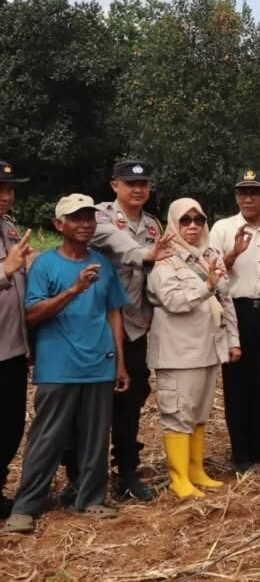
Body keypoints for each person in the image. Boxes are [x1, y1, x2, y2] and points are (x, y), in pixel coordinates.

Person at [3, 195, 129, 534]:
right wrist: (73, 290)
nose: (85, 223)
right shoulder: (44, 265)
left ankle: (89, 499)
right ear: (60, 225)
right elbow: (32, 314)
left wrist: (120, 362)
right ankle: (26, 506)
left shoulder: (103, 264)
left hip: (99, 363)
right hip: (58, 365)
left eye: (90, 217)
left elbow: (114, 312)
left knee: (95, 438)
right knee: (46, 437)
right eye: (77, 218)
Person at [89, 160, 172, 501]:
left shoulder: (153, 224)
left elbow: (157, 274)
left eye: (143, 184)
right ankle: (82, 476)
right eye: (129, 184)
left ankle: (126, 472)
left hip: (135, 326)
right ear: (114, 186)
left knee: (131, 400)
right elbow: (120, 245)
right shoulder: (99, 216)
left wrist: (154, 311)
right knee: (92, 401)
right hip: (96, 324)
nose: (137, 190)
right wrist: (147, 254)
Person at [147, 199, 238, 498]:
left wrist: (233, 341)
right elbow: (173, 300)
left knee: (199, 413)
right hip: (178, 351)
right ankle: (179, 478)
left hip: (209, 346)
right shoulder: (165, 259)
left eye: (198, 220)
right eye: (185, 220)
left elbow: (226, 300)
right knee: (178, 414)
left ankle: (196, 470)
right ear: (174, 222)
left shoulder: (211, 254)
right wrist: (206, 286)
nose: (192, 226)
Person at [210, 169, 260, 472]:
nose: (248, 198)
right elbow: (212, 274)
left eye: (255, 192)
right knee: (237, 384)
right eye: (242, 193)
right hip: (235, 310)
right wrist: (233, 255)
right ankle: (240, 453)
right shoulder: (222, 228)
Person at [0, 162, 35, 515]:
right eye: (0, 189)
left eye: (10, 189)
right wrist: (3, 270)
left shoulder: (9, 229)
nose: (6, 196)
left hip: (11, 348)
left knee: (9, 427)